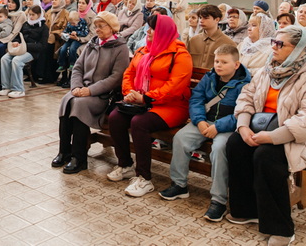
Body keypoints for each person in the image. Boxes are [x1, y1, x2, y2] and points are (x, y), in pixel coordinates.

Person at [226, 25, 306, 246]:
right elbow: (247, 96)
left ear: (297, 49)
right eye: (273, 42)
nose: (274, 47)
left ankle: (281, 228)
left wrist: (273, 137)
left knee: (266, 156)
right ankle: (248, 210)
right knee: (235, 144)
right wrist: (243, 125)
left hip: (300, 135)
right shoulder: (269, 68)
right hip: (262, 126)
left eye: (280, 44)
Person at [160, 44, 251, 222]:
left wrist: (218, 127)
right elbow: (196, 99)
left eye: (224, 62)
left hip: (227, 127)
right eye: (216, 61)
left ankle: (218, 200)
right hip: (204, 121)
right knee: (181, 138)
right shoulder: (209, 77)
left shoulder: (245, 84)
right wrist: (200, 120)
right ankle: (179, 185)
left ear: (236, 64)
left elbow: (242, 112)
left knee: (219, 149)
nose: (219, 65)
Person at [107, 14, 192, 197]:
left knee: (139, 123)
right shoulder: (143, 50)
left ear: (165, 32)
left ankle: (144, 177)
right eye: (149, 27)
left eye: (154, 28)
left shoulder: (179, 54)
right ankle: (125, 165)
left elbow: (174, 87)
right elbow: (129, 73)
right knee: (115, 118)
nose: (149, 31)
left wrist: (146, 98)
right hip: (142, 101)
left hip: (172, 106)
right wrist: (130, 93)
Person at [54, 11, 129, 174]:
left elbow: (116, 78)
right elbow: (78, 67)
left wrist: (90, 90)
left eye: (101, 26)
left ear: (112, 27)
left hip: (103, 95)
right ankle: (64, 151)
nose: (97, 29)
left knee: (79, 105)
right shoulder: (93, 43)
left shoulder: (120, 48)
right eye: (96, 26)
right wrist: (76, 87)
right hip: (82, 90)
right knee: (67, 101)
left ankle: (79, 158)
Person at [0, 5, 49, 98]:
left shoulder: (44, 27)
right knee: (4, 59)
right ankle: (6, 87)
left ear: (39, 15)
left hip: (32, 52)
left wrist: (26, 46)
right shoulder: (26, 24)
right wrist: (15, 42)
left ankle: (18, 89)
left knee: (17, 60)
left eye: (33, 15)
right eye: (29, 14)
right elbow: (18, 36)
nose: (31, 17)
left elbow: (42, 46)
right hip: (20, 49)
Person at [188, 5, 237, 71]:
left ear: (217, 19)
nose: (201, 20)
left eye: (205, 18)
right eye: (200, 17)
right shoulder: (193, 40)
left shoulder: (229, 43)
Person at [41, 0, 69, 83]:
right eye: (52, 0)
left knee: (53, 54)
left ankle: (51, 77)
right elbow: (44, 25)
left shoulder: (65, 13)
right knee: (46, 53)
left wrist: (54, 33)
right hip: (48, 38)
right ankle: (45, 76)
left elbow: (65, 28)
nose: (53, 1)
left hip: (59, 40)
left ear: (61, 1)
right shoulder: (49, 12)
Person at [57, 10, 90, 75]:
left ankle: (72, 63)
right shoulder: (69, 23)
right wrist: (65, 34)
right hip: (69, 39)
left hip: (77, 39)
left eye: (74, 23)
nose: (72, 25)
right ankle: (62, 65)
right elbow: (66, 31)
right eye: (71, 23)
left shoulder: (83, 23)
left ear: (78, 20)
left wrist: (77, 33)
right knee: (63, 49)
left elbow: (85, 33)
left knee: (72, 49)